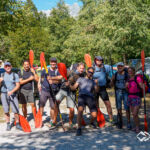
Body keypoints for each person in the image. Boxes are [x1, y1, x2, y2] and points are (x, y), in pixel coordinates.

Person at [70, 67, 99, 136]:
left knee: (94, 115)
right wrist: (69, 85)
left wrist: (97, 84)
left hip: (90, 97)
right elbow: (74, 88)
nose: (90, 74)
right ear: (86, 71)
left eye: (92, 73)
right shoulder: (80, 79)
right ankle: (79, 128)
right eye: (89, 72)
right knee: (80, 110)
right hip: (82, 96)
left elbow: (97, 91)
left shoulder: (93, 81)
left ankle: (91, 122)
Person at [55, 62, 85, 128]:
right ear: (77, 68)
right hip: (63, 89)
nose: (81, 70)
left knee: (71, 109)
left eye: (83, 68)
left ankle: (70, 122)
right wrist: (52, 78)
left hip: (72, 92)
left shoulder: (83, 75)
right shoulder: (70, 72)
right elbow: (62, 77)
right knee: (56, 102)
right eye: (80, 68)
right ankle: (54, 121)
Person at [38, 57, 63, 127]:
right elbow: (41, 78)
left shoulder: (58, 71)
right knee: (41, 105)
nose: (53, 63)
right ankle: (40, 121)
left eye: (54, 62)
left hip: (54, 91)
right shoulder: (45, 70)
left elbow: (60, 78)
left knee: (53, 107)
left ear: (56, 63)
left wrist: (52, 79)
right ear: (50, 63)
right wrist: (39, 84)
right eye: (52, 62)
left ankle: (52, 120)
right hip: (44, 90)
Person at [0, 62, 22, 131]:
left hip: (13, 94)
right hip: (4, 94)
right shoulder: (2, 75)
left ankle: (17, 124)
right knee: (6, 110)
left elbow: (18, 85)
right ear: (4, 68)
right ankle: (8, 124)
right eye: (6, 66)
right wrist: (0, 82)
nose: (7, 67)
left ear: (11, 66)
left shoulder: (15, 75)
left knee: (15, 110)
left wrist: (12, 92)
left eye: (8, 66)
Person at [93, 56, 114, 124]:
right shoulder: (92, 68)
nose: (99, 61)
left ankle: (111, 119)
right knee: (96, 105)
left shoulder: (106, 67)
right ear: (95, 61)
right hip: (94, 89)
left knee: (108, 104)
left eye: (100, 60)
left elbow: (116, 68)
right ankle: (97, 119)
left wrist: (126, 67)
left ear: (102, 61)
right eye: (97, 60)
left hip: (102, 88)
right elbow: (88, 76)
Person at [111, 62, 131, 129]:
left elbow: (130, 83)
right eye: (118, 66)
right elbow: (111, 85)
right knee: (119, 108)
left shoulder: (127, 75)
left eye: (121, 66)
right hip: (118, 91)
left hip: (125, 92)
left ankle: (128, 122)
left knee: (127, 108)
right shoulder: (115, 74)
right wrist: (112, 80)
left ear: (123, 67)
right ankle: (120, 122)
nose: (119, 67)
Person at [126, 67, 143, 133]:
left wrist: (143, 86)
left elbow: (141, 86)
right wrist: (126, 87)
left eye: (131, 71)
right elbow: (128, 90)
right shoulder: (128, 79)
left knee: (135, 113)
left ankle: (138, 127)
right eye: (129, 71)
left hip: (137, 97)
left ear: (134, 71)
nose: (130, 72)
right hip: (130, 97)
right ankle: (136, 126)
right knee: (133, 114)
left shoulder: (137, 78)